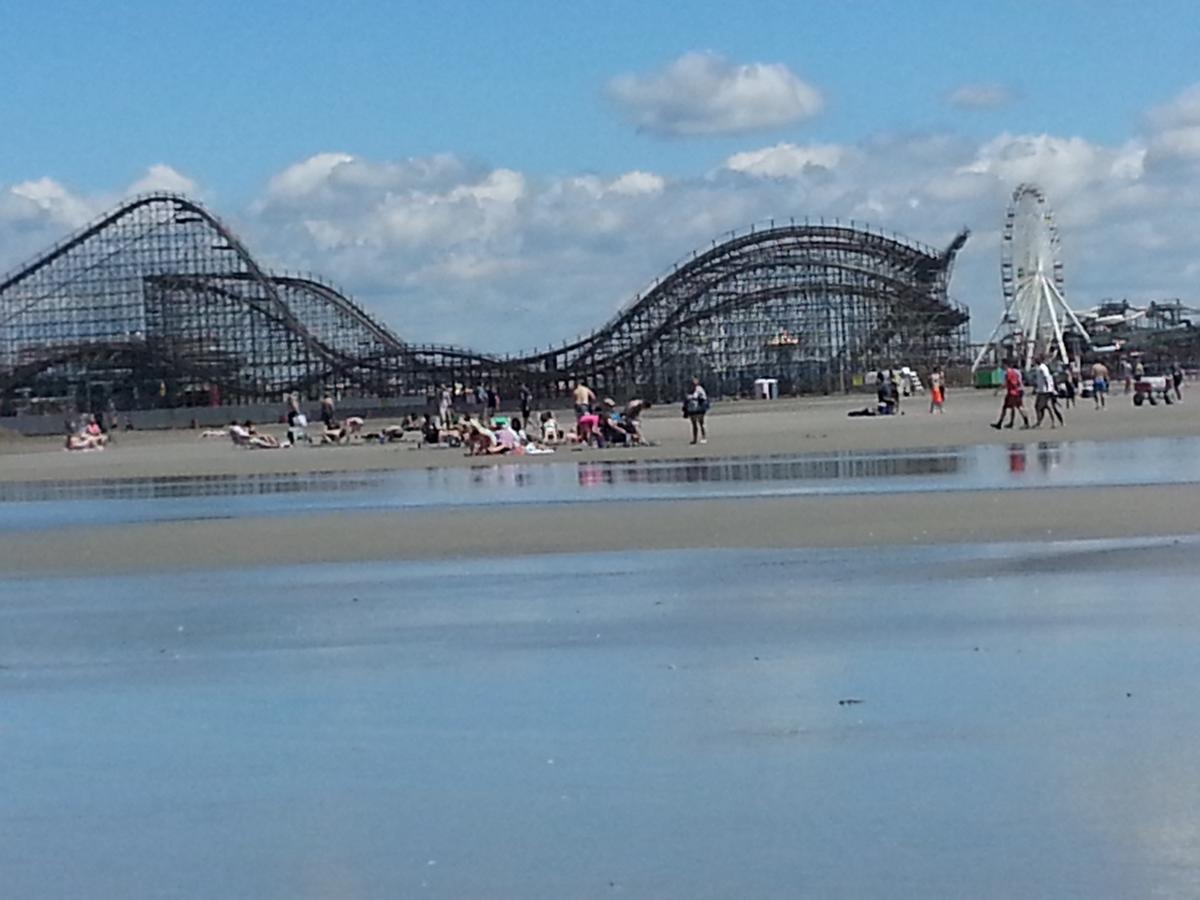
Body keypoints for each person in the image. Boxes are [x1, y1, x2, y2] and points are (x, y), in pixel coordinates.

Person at [991, 359, 1031, 430]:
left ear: (1005, 365)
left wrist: (997, 390)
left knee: (1018, 407)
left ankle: (1026, 422)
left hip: (1013, 393)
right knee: (1011, 407)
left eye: (1002, 364)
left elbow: (1007, 383)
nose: (1001, 366)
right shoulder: (1013, 372)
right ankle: (1001, 423)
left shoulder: (1009, 372)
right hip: (1014, 392)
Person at [1033, 356, 1064, 429]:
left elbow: (1047, 377)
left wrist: (1049, 388)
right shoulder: (1039, 368)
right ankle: (1039, 422)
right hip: (1041, 390)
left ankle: (1053, 422)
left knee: (1046, 406)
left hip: (1045, 391)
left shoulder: (1042, 368)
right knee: (1040, 406)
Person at [683, 377, 708, 444]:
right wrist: (685, 409)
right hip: (691, 409)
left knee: (701, 423)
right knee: (694, 424)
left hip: (699, 408)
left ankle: (703, 437)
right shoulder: (689, 389)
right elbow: (686, 399)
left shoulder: (699, 389)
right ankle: (695, 439)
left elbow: (702, 397)